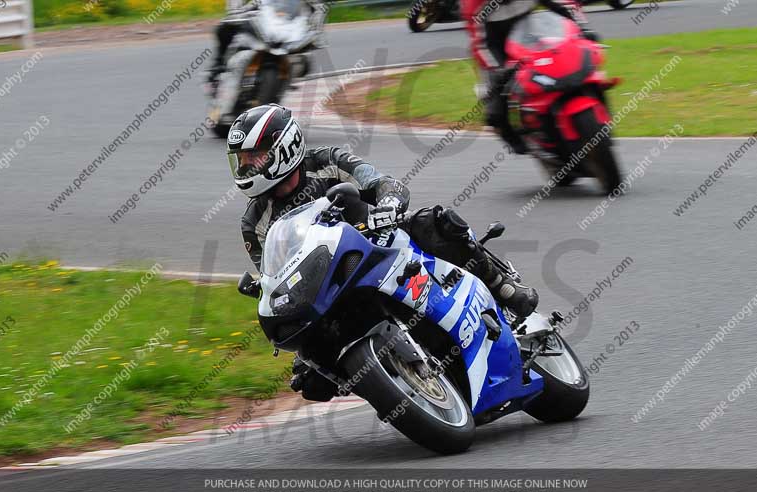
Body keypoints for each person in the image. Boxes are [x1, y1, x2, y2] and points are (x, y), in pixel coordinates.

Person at [229, 104, 538, 400]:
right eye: (241, 160)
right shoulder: (254, 222)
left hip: (378, 239)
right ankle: (396, 382)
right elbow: (274, 271)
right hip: (329, 280)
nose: (245, 167)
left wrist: (388, 204)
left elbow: (381, 182)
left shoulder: (325, 161)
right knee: (312, 377)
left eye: (254, 157)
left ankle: (502, 285)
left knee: (437, 222)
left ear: (284, 147)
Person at [460, 0, 598, 153]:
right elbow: (479, 42)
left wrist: (583, 26)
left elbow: (563, 2)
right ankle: (513, 137)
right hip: (494, 44)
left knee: (571, 60)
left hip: (530, 30)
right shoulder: (473, 3)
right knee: (496, 104)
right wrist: (497, 69)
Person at [207, 0, 327, 91]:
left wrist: (316, 32)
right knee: (226, 28)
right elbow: (252, 4)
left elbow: (320, 8)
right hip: (262, 19)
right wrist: (235, 12)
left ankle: (281, 82)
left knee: (305, 63)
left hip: (289, 28)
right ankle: (218, 66)